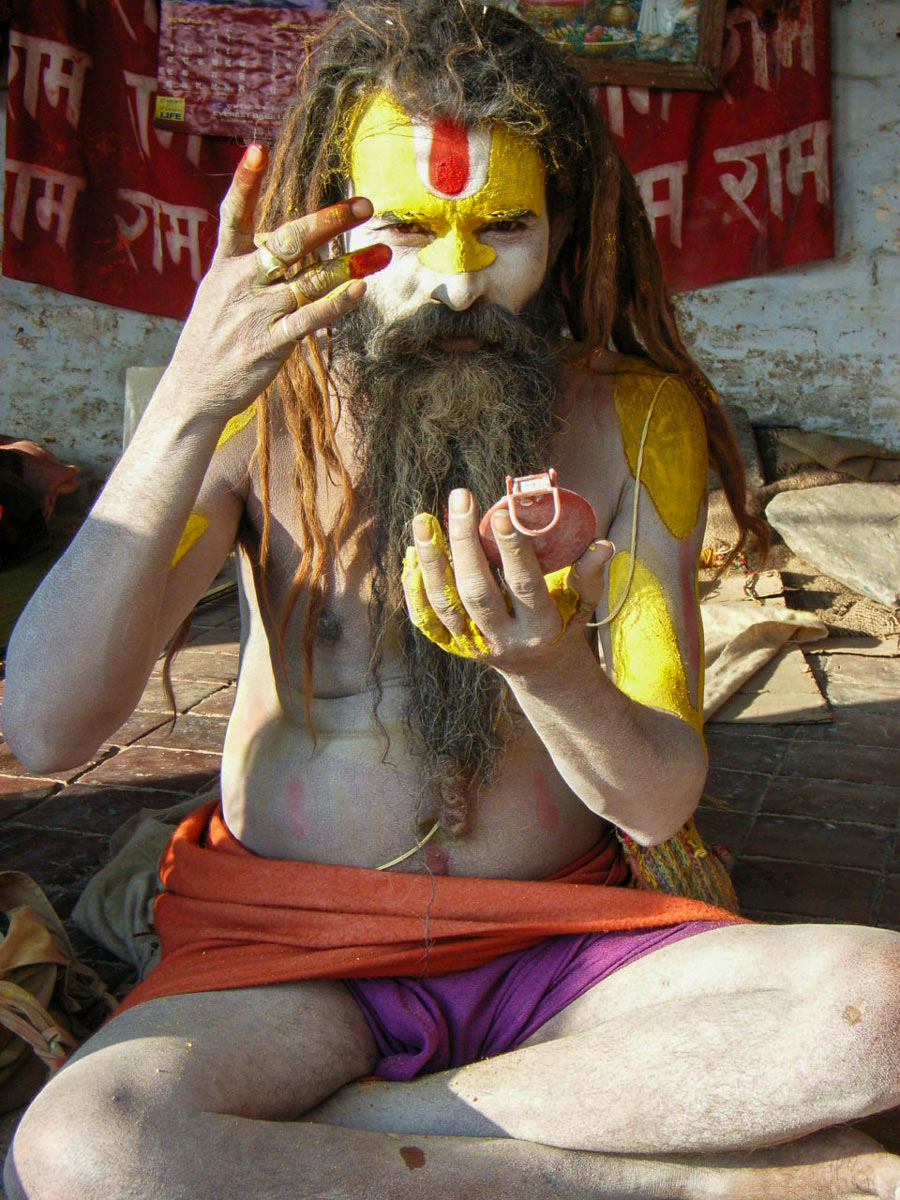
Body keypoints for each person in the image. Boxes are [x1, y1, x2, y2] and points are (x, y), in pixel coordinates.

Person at [4, 3, 899, 1197]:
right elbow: (43, 729)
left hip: (563, 948)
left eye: (505, 228)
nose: (458, 278)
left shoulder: (635, 420)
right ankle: (656, 1178)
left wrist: (553, 671)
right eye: (409, 227)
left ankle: (360, 1130)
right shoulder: (255, 415)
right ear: (328, 222)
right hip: (289, 961)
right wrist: (185, 400)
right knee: (80, 1152)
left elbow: (657, 797)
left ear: (566, 227)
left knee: (878, 1011)